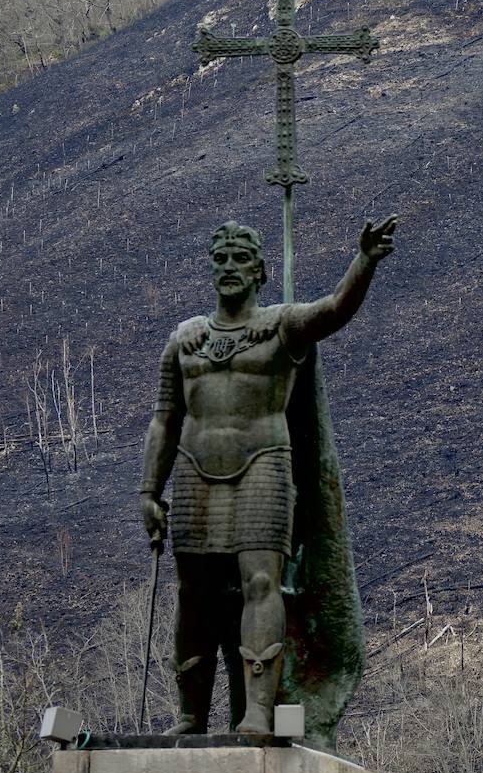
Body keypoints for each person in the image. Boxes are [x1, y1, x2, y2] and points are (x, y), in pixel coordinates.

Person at [139, 215, 397, 735]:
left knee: (261, 583)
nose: (229, 267)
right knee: (195, 594)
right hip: (193, 472)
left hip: (263, 467)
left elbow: (334, 309)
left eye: (240, 259)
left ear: (259, 271)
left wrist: (364, 262)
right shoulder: (184, 340)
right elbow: (165, 419)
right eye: (221, 259)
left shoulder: (282, 325)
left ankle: (257, 709)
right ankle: (191, 715)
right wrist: (149, 489)